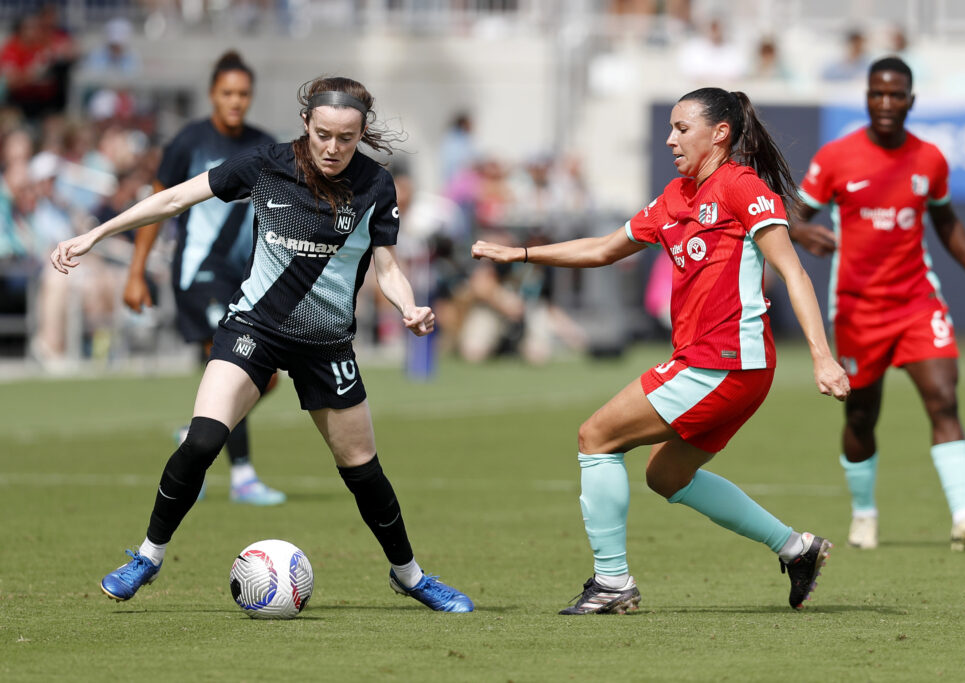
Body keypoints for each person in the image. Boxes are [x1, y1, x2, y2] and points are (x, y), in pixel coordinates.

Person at [50, 75, 474, 613]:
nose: (334, 148)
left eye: (347, 138)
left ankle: (411, 576)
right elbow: (177, 197)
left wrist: (407, 305)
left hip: (327, 344)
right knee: (202, 441)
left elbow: (386, 266)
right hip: (254, 328)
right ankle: (147, 557)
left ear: (361, 133)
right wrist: (94, 235)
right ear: (306, 124)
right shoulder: (268, 163)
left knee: (362, 470)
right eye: (324, 134)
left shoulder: (375, 185)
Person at [473, 87, 850, 614]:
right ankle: (797, 548)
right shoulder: (676, 196)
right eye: (669, 128)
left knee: (595, 437)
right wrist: (523, 253)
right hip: (728, 366)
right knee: (665, 476)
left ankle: (612, 583)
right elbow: (604, 248)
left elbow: (792, 273)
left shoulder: (741, 187)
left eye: (682, 128)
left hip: (723, 362)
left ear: (720, 133)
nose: (670, 139)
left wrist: (822, 355)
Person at [790, 56, 965, 552]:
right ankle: (864, 514)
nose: (885, 103)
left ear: (911, 100)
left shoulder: (929, 159)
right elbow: (792, 215)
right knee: (861, 416)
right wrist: (801, 231)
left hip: (917, 304)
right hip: (857, 309)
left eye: (895, 94)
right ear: (866, 98)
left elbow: (946, 222)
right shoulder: (837, 157)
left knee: (945, 400)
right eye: (876, 94)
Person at [122, 51, 285, 506]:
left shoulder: (265, 146)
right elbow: (158, 206)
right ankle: (244, 476)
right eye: (227, 92)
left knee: (264, 378)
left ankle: (198, 431)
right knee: (232, 360)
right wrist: (136, 273)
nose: (236, 101)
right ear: (213, 93)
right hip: (198, 274)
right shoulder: (188, 142)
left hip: (248, 279)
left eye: (243, 94)